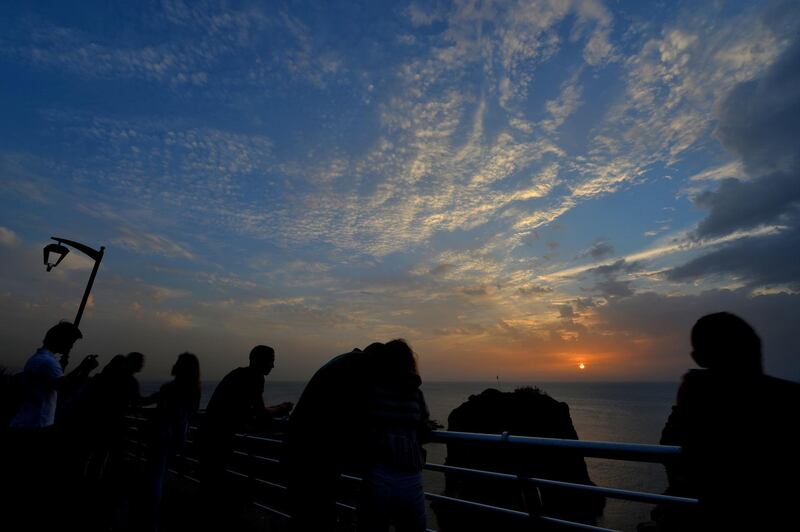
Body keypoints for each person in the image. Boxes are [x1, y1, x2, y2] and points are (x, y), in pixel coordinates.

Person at [655, 312, 800, 530]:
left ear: (699, 358)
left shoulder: (697, 392)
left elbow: (677, 456)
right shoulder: (789, 397)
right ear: (755, 347)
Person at [4, 321, 99, 530]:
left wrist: (73, 371)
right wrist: (84, 369)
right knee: (30, 482)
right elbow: (65, 387)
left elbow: (58, 383)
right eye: (70, 343)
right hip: (34, 429)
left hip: (29, 426)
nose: (70, 347)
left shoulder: (42, 360)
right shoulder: (47, 362)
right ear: (61, 340)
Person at [284, 342, 382, 531]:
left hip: (300, 443)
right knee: (319, 511)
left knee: (305, 511)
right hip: (313, 450)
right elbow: (363, 409)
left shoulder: (345, 360)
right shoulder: (363, 364)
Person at [358, 339, 430, 532]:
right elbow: (423, 426)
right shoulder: (416, 393)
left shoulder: (370, 390)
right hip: (410, 474)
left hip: (377, 472)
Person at [143, 352, 201, 532]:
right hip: (177, 436)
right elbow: (187, 416)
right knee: (160, 476)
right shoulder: (194, 389)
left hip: (161, 434)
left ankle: (149, 520)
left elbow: (161, 410)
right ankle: (152, 519)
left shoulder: (169, 388)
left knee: (155, 477)